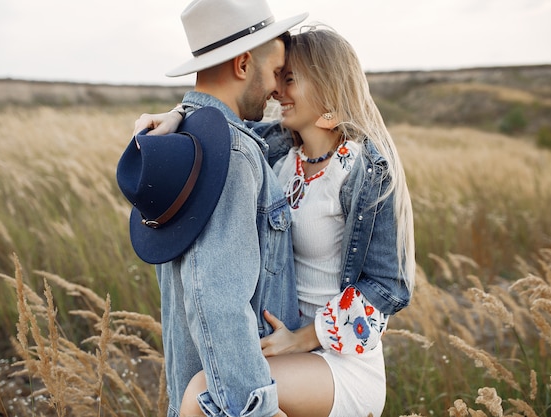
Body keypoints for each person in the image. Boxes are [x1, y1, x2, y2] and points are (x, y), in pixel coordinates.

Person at [137, 25, 416, 417]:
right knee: (217, 387)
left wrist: (304, 339)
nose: (277, 92)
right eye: (278, 78)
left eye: (290, 80)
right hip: (283, 348)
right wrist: (177, 115)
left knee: (205, 390)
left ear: (329, 98)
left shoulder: (364, 171)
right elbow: (223, 126)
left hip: (339, 362)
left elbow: (390, 287)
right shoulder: (279, 154)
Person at [117, 1, 308, 417]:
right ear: (242, 64)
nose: (279, 89)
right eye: (276, 72)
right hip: (233, 401)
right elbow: (218, 302)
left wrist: (182, 111)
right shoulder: (233, 155)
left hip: (198, 397)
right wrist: (257, 408)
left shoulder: (181, 139)